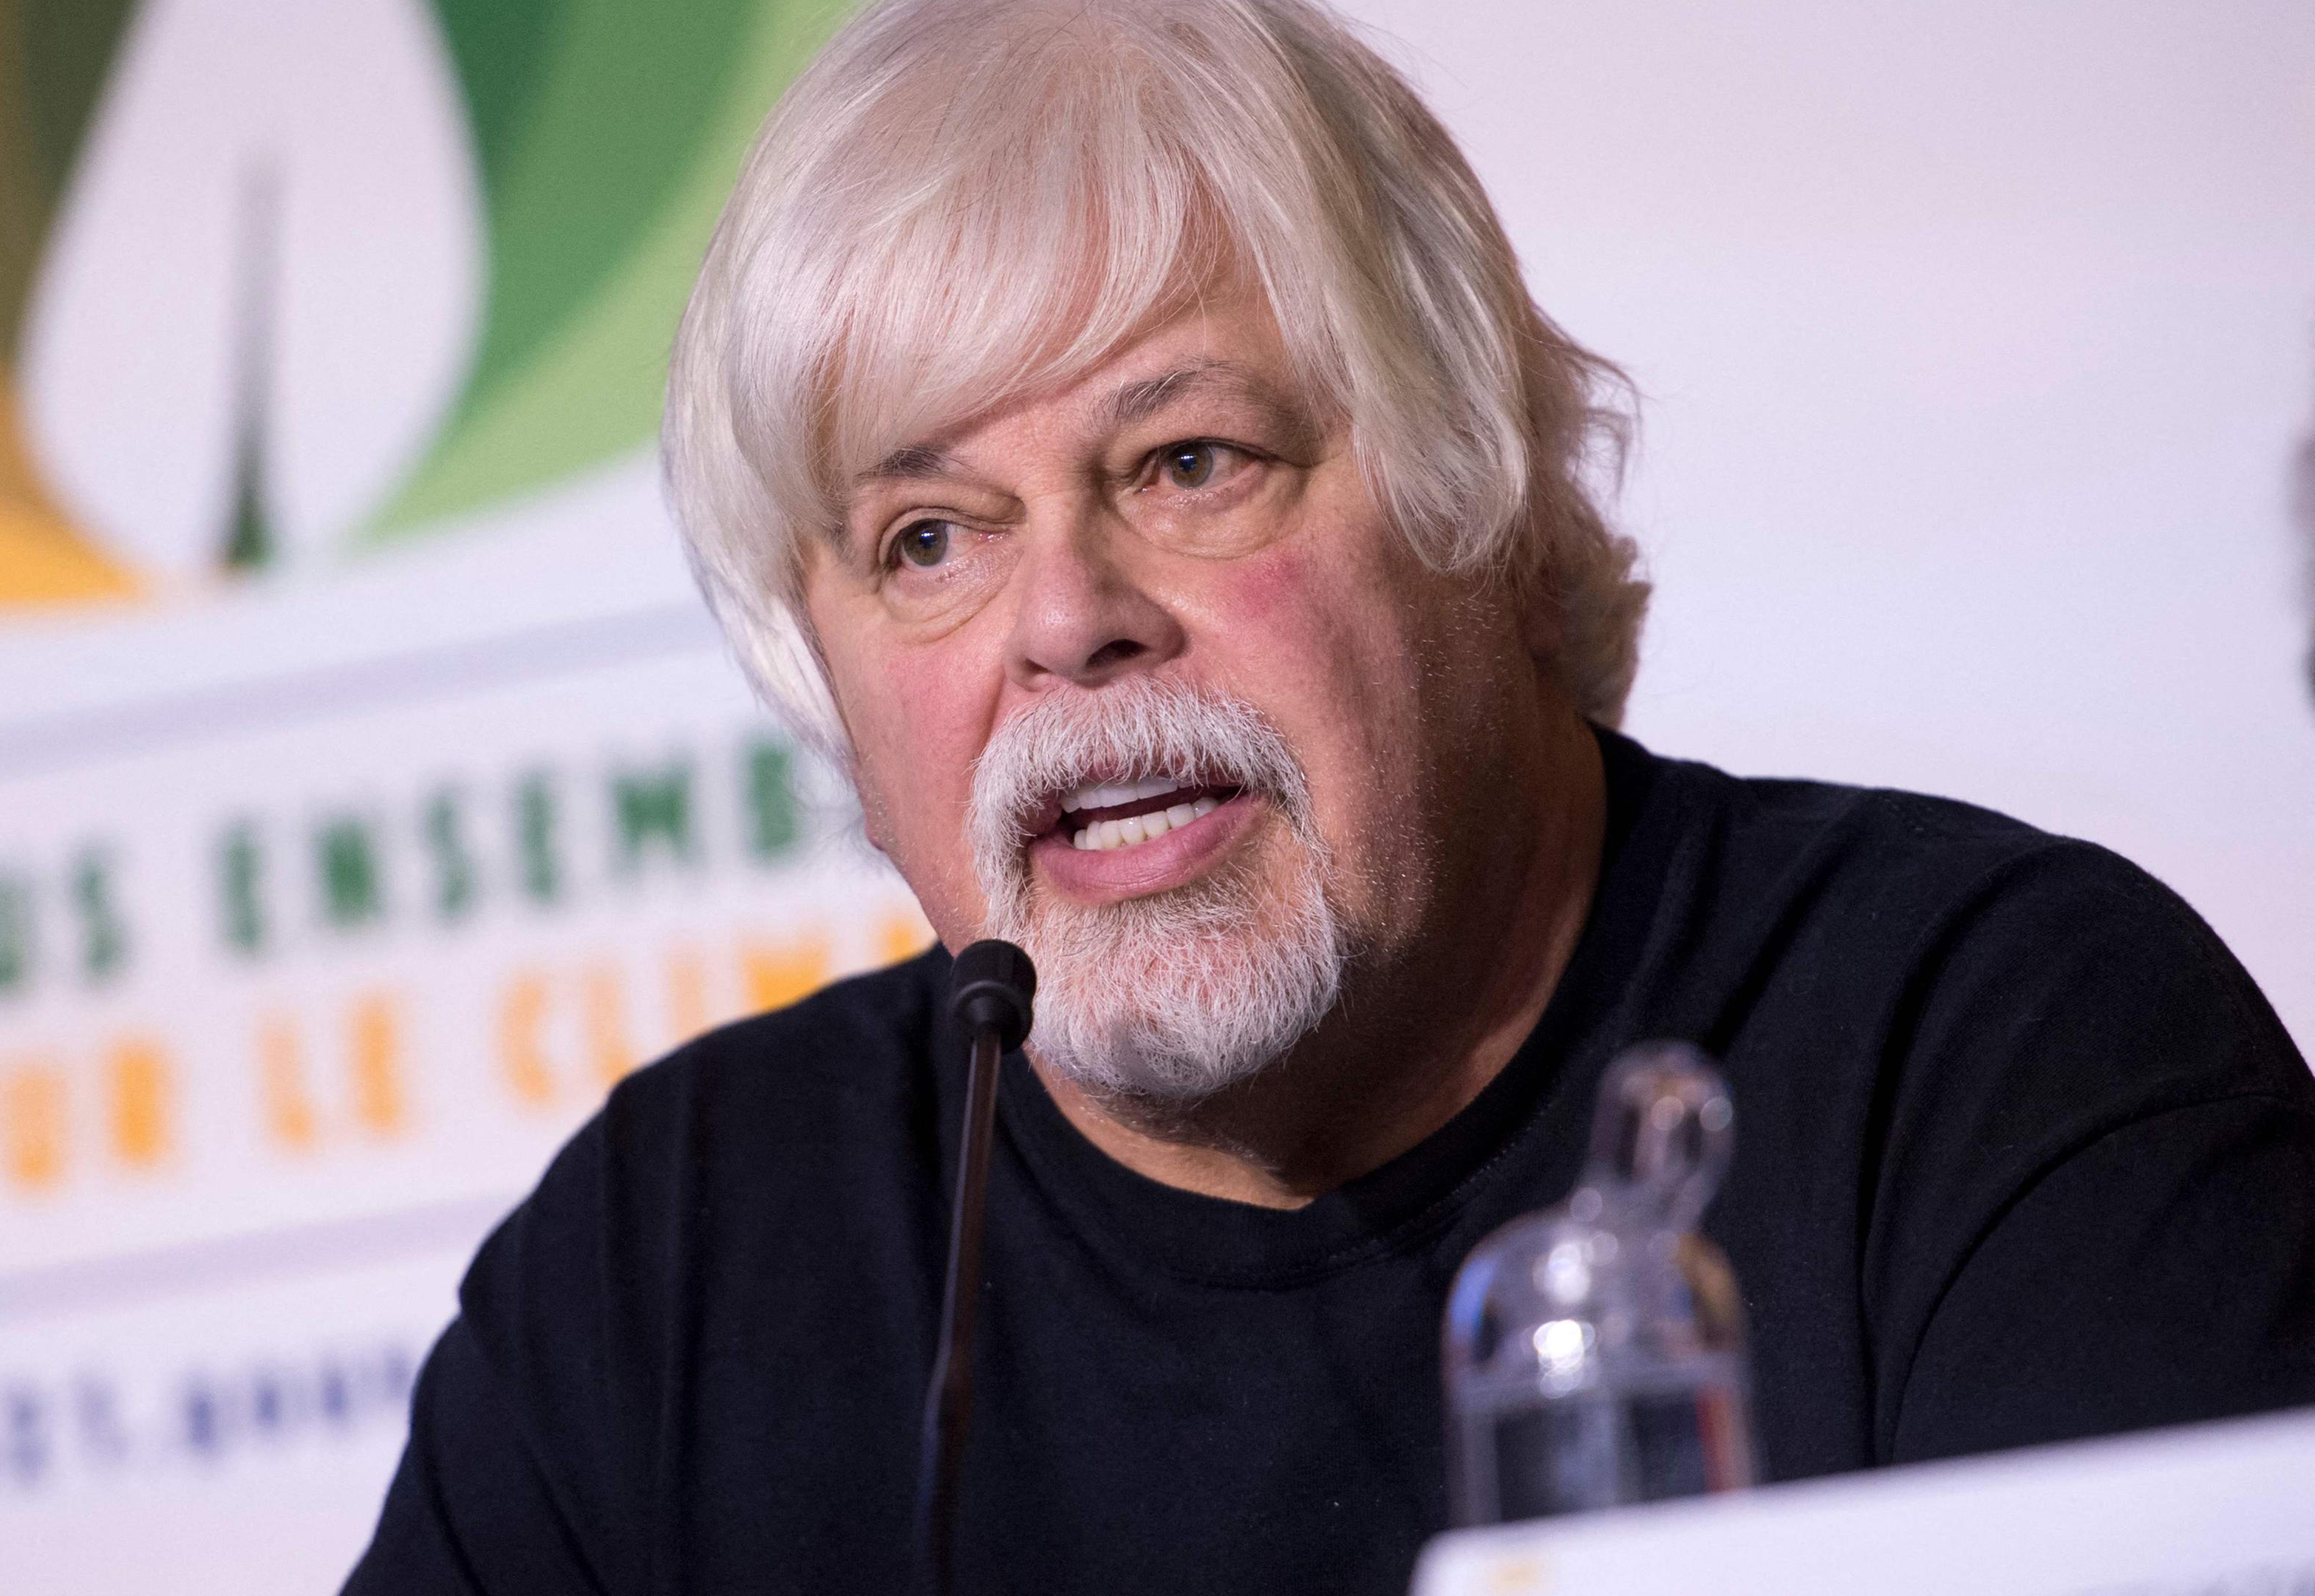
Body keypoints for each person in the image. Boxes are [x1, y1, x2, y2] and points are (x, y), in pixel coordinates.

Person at [344, 0, 2315, 1590]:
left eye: (1190, 463)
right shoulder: (674, 1264)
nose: (1068, 622)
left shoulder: (2002, 1057)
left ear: (1481, 498)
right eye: (929, 537)